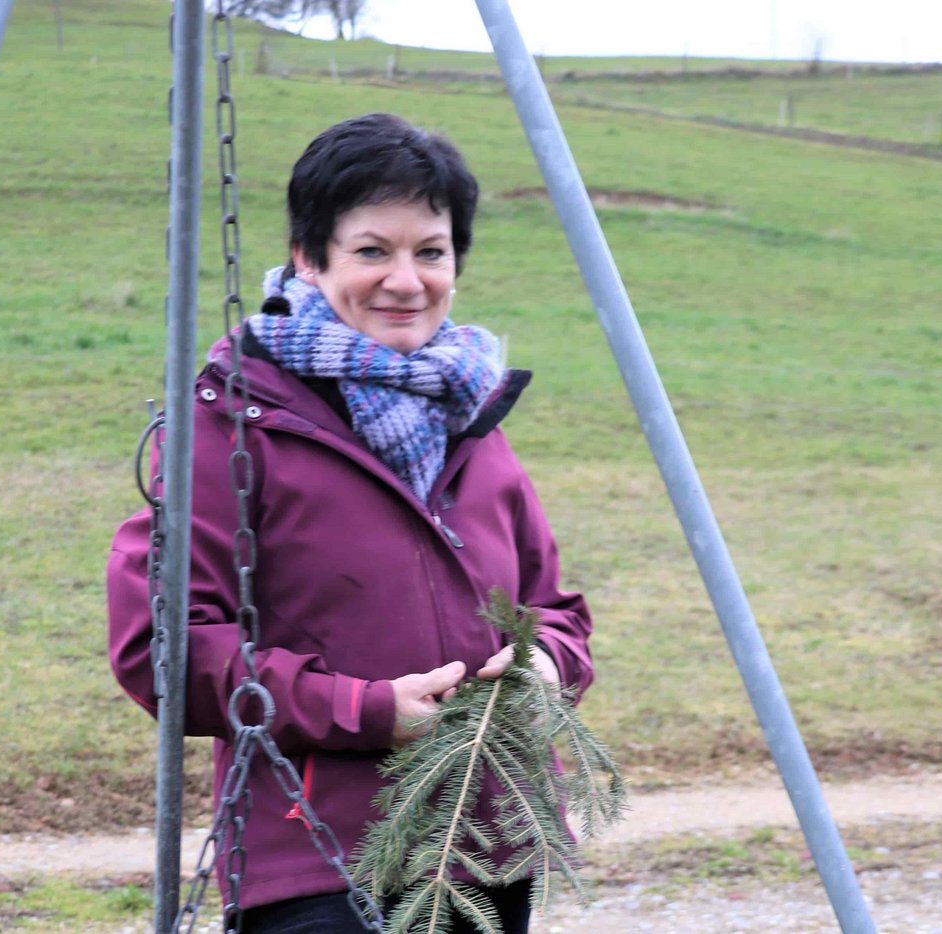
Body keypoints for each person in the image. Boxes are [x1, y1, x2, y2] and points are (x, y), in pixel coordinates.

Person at [107, 112, 593, 933]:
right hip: (319, 864)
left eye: (430, 252)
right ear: (308, 256)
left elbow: (557, 611)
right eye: (373, 250)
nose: (406, 281)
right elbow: (162, 645)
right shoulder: (234, 424)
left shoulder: (473, 417)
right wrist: (365, 709)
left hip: (488, 855)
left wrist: (546, 666)